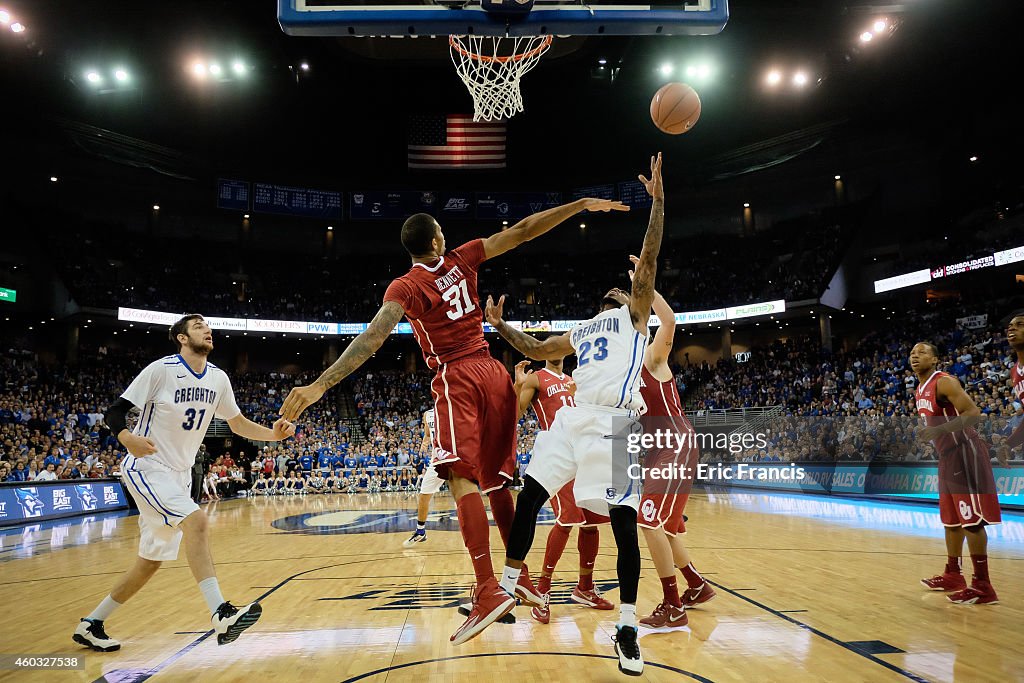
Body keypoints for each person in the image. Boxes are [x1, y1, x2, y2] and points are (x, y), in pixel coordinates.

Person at [279, 193, 627, 646]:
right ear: (438, 239)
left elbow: (372, 338)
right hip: (494, 373)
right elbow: (523, 230)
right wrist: (577, 205)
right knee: (500, 481)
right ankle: (514, 576)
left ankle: (486, 589)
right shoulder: (464, 257)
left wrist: (320, 385)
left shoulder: (403, 287)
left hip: (456, 375)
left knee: (460, 478)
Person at [484, 153, 664, 675]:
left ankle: (627, 628)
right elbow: (538, 349)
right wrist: (500, 327)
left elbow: (649, 261)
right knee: (531, 495)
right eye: (615, 292)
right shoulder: (585, 330)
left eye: (627, 291)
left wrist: (657, 206)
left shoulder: (635, 318)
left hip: (614, 426)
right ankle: (511, 587)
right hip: (572, 420)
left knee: (624, 527)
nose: (622, 293)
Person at [74, 314, 295, 653]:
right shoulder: (161, 370)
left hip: (179, 475)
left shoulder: (218, 378)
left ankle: (92, 623)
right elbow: (114, 412)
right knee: (198, 521)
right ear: (180, 338)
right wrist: (127, 438)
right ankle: (221, 613)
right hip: (146, 465)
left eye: (208, 327)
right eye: (198, 327)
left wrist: (272, 435)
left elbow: (236, 423)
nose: (207, 330)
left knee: (150, 562)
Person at [625, 256, 714, 628]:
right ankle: (695, 585)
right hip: (662, 448)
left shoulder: (651, 356)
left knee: (647, 521)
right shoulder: (626, 370)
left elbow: (671, 321)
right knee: (668, 526)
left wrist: (646, 290)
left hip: (675, 442)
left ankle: (673, 606)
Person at [512, 357, 613, 625]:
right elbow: (516, 413)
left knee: (592, 523)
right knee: (567, 520)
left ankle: (585, 587)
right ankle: (542, 589)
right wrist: (516, 386)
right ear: (546, 350)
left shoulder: (573, 381)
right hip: (558, 454)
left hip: (586, 454)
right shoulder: (536, 378)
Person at [912, 341, 1001, 604]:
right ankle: (953, 574)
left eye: (922, 352)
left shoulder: (944, 382)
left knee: (971, 520)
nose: (916, 356)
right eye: (912, 353)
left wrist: (938, 431)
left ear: (936, 359)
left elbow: (974, 413)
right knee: (951, 521)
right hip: (947, 456)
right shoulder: (920, 388)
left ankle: (983, 585)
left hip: (965, 451)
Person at [402, 409, 445, 547]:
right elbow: (427, 434)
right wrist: (424, 445)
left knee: (464, 496)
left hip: (455, 456)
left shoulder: (454, 407)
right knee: (424, 495)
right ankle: (420, 532)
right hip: (437, 459)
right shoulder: (428, 414)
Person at [996, 312, 1024, 465]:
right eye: (1010, 326)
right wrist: (1008, 444)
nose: (1012, 328)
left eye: (1020, 324)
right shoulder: (1014, 372)